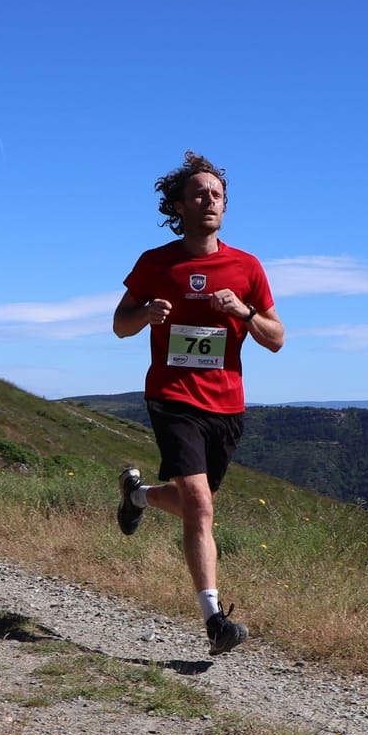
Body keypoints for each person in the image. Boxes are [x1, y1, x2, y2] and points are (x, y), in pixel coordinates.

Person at [111, 152, 283, 654]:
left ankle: (137, 496)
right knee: (200, 504)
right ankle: (215, 620)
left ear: (224, 207)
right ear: (179, 207)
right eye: (198, 194)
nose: (208, 200)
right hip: (172, 397)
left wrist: (245, 311)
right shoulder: (155, 263)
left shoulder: (247, 266)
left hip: (226, 404)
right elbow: (121, 326)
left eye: (216, 195)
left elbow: (276, 338)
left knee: (193, 504)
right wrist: (147, 312)